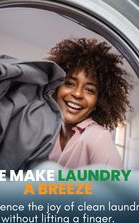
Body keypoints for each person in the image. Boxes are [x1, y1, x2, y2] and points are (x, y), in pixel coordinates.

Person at [47, 38, 132, 169]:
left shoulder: (98, 137)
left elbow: (116, 187)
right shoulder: (45, 131)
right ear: (56, 88)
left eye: (90, 90)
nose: (77, 94)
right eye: (69, 83)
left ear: (98, 102)